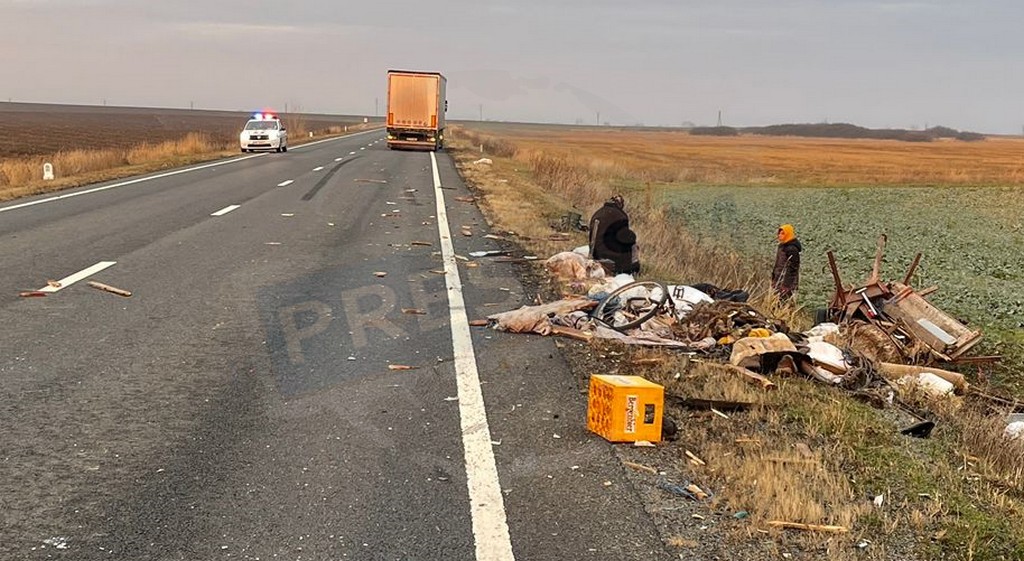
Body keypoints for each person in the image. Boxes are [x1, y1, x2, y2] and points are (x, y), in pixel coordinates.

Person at [588, 194, 640, 274]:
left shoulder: (598, 213)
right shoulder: (621, 215)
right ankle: (631, 269)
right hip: (613, 257)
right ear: (620, 204)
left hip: (596, 254)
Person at [772, 223, 802, 300]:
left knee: (785, 302)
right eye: (779, 233)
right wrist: (774, 278)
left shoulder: (792, 249)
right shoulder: (782, 246)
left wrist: (786, 286)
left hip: (787, 284)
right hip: (779, 280)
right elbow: (778, 264)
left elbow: (793, 269)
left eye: (782, 233)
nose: (779, 235)